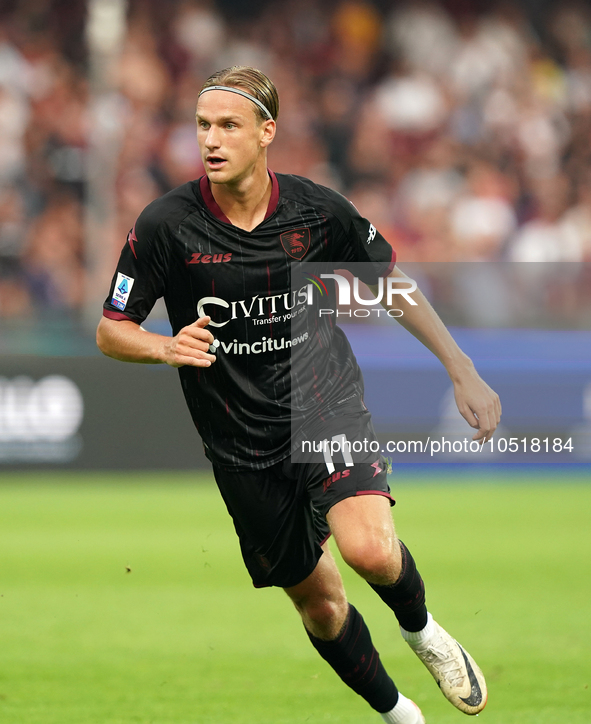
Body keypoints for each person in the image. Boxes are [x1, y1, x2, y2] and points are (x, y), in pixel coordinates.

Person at [97, 66, 501, 724]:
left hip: (322, 402)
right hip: (237, 443)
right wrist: (163, 346)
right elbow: (111, 330)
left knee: (368, 549)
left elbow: (389, 283)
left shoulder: (316, 210)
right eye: (202, 125)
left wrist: (460, 367)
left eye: (228, 125)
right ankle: (400, 714)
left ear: (266, 133)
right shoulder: (166, 225)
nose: (211, 138)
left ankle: (422, 630)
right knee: (321, 605)